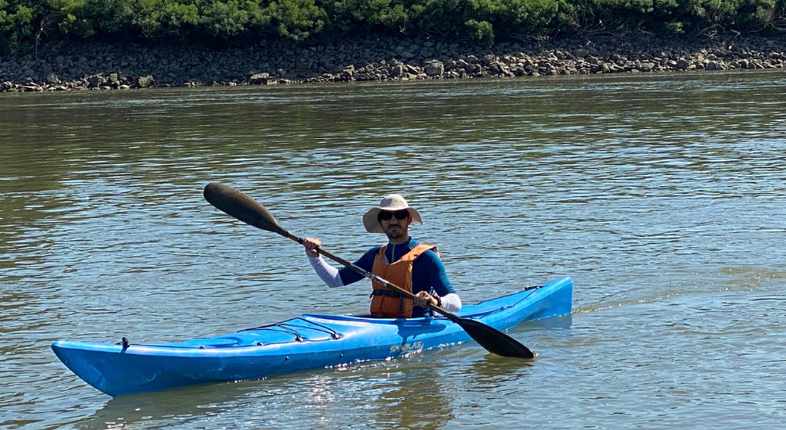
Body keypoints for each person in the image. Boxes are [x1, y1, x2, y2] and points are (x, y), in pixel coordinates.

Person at [303, 194, 461, 318]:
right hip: (380, 322)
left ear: (408, 220)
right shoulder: (374, 255)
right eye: (386, 216)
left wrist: (435, 301)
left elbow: (455, 302)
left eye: (399, 215)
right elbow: (335, 280)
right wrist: (314, 257)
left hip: (416, 325)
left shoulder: (426, 257)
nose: (393, 221)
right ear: (381, 222)